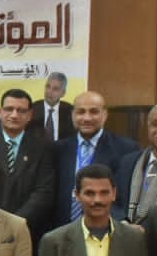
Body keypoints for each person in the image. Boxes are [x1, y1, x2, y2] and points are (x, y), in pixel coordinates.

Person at [0, 88, 54, 235]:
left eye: (21, 110)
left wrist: (15, 223)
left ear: (29, 115)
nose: (14, 115)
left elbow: (43, 192)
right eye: (9, 109)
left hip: (26, 228)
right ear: (0, 112)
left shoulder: (42, 147)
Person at [51, 89, 139, 228]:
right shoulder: (58, 149)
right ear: (73, 115)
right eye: (81, 112)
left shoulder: (126, 149)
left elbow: (125, 193)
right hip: (63, 229)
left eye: (93, 112)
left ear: (104, 115)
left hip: (107, 227)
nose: (87, 118)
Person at [26, 71, 73, 142]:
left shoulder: (70, 111)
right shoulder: (32, 109)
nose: (49, 91)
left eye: (55, 89)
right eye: (48, 86)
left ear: (63, 93)